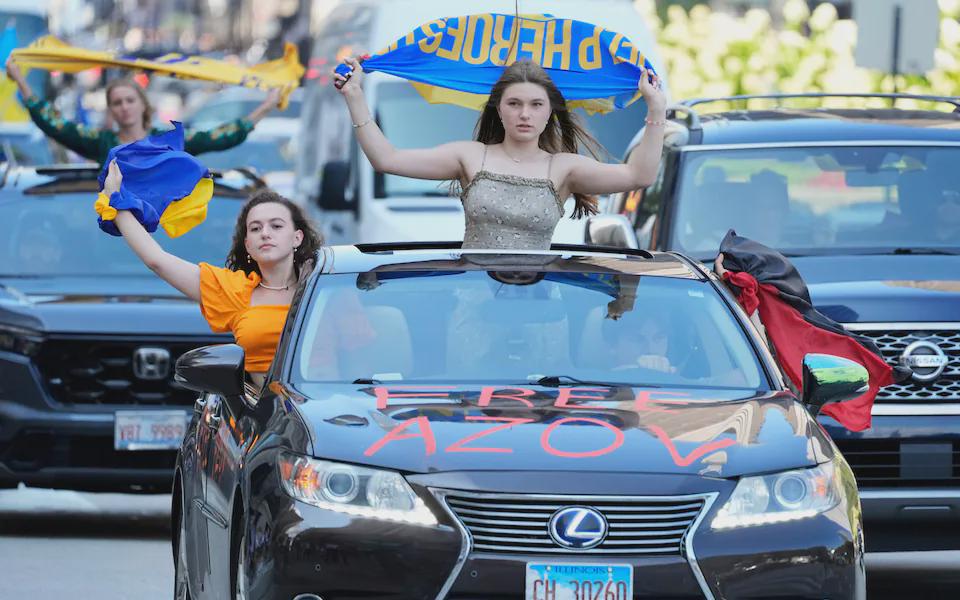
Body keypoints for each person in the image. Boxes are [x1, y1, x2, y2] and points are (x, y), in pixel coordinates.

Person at [334, 57, 666, 249]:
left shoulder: (563, 168)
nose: (525, 114)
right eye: (514, 104)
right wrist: (354, 96)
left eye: (536, 105)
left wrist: (656, 107)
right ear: (499, 110)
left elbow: (640, 175)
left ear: (550, 112)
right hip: (473, 303)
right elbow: (387, 159)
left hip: (542, 308)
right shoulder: (470, 156)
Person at [100, 160, 323, 387]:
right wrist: (116, 201)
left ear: (297, 237)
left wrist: (360, 123)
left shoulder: (323, 290)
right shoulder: (234, 290)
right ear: (247, 244)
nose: (265, 233)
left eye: (276, 226)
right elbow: (158, 260)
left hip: (320, 413)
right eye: (255, 228)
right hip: (265, 416)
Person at [5, 59, 282, 166]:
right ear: (111, 109)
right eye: (117, 103)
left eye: (129, 100)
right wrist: (20, 80)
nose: (124, 107)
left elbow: (221, 137)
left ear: (143, 105)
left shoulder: (168, 141)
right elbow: (54, 124)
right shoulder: (101, 142)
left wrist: (266, 107)